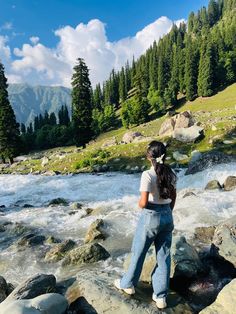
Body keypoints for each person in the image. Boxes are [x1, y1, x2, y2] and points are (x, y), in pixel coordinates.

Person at [114, 140, 177, 309]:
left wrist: (140, 204)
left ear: (150, 156)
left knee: (139, 251)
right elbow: (174, 194)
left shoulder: (147, 175)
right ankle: (161, 296)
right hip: (167, 215)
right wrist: (168, 210)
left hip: (151, 216)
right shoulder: (170, 173)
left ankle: (127, 284)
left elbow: (143, 202)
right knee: (163, 256)